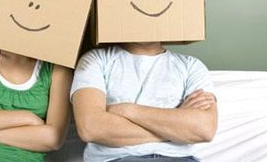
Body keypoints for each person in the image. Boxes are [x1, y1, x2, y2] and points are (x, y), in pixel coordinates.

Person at [71, 42, 217, 162]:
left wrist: (127, 110)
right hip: (118, 159)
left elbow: (204, 129)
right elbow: (91, 128)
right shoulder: (95, 60)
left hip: (181, 158)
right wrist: (177, 127)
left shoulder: (191, 66)